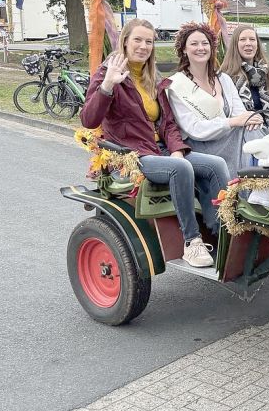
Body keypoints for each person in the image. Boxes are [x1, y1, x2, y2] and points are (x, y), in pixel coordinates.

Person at [80, 18, 228, 268]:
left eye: (149, 41)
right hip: (131, 155)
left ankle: (222, 231)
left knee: (215, 164)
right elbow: (88, 119)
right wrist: (107, 85)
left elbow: (168, 123)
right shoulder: (108, 74)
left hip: (159, 150)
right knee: (180, 169)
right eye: (137, 40)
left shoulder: (153, 78)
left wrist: (177, 150)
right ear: (125, 42)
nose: (143, 46)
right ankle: (192, 242)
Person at [162, 23, 263, 175]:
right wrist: (232, 122)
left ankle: (263, 184)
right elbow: (194, 129)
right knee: (255, 139)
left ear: (211, 47)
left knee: (253, 130)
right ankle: (258, 187)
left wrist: (252, 120)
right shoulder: (175, 85)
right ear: (184, 49)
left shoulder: (224, 79)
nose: (200, 48)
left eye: (205, 43)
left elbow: (240, 114)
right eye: (194, 44)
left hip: (231, 138)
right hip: (202, 145)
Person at [218, 25, 269, 125]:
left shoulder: (265, 71)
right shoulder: (226, 76)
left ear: (257, 44)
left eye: (252, 39)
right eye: (243, 39)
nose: (248, 43)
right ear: (235, 45)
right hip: (244, 134)